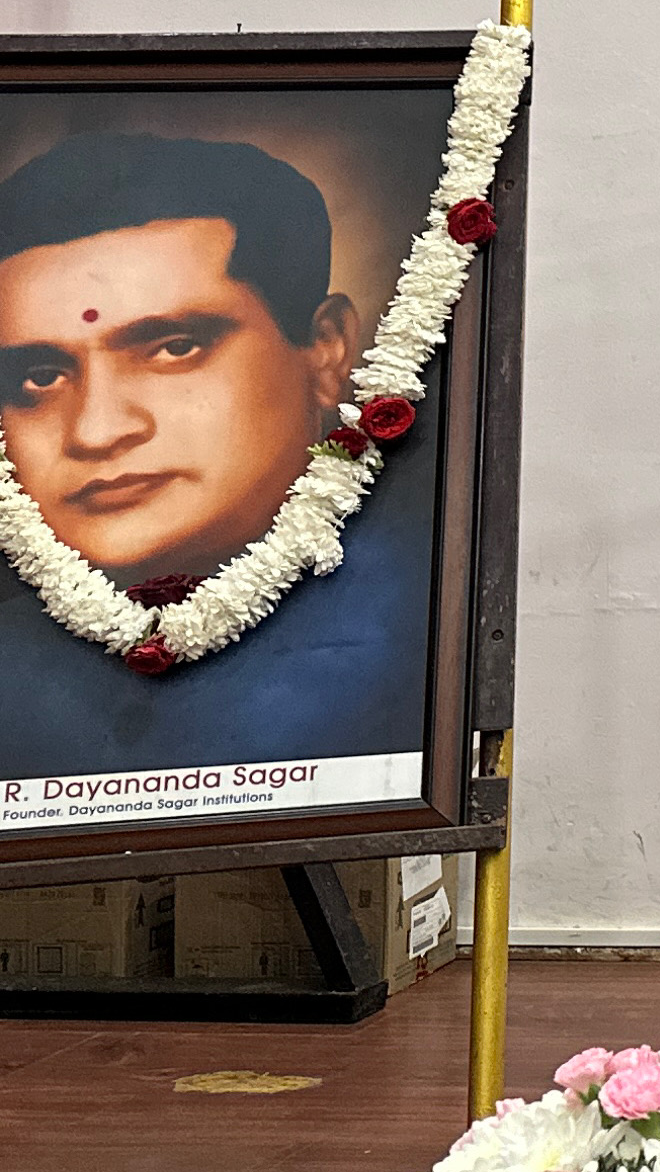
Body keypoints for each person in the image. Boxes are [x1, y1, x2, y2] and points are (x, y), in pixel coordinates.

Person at [0, 131, 433, 779]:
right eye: (41, 376)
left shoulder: (422, 637)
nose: (95, 430)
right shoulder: (15, 670)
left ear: (327, 349)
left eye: (174, 348)